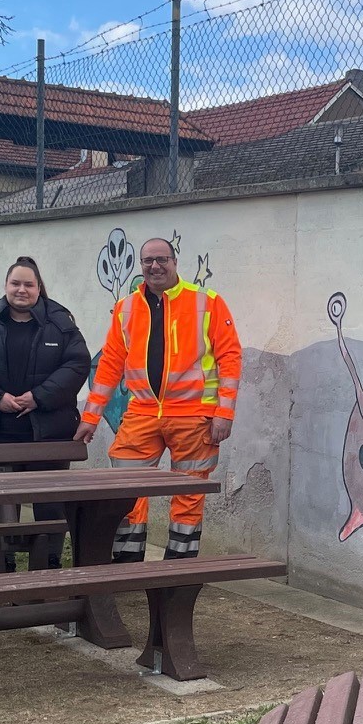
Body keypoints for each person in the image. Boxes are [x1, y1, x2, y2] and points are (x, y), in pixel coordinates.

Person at [76, 236, 241, 562]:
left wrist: (225, 412)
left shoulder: (207, 301)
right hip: (142, 412)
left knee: (189, 493)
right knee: (127, 488)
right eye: (148, 260)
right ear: (141, 265)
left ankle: (178, 570)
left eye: (162, 259)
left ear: (175, 262)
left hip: (195, 415)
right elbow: (110, 363)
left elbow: (230, 357)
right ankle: (126, 564)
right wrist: (90, 417)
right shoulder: (125, 308)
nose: (155, 266)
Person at [0, 257, 92, 566]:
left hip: (49, 431)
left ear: (39, 288)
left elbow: (78, 363)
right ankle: (2, 567)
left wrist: (39, 397)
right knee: (0, 504)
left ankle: (48, 564)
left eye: (28, 284)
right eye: (15, 283)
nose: (21, 290)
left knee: (50, 503)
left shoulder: (61, 322)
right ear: (5, 286)